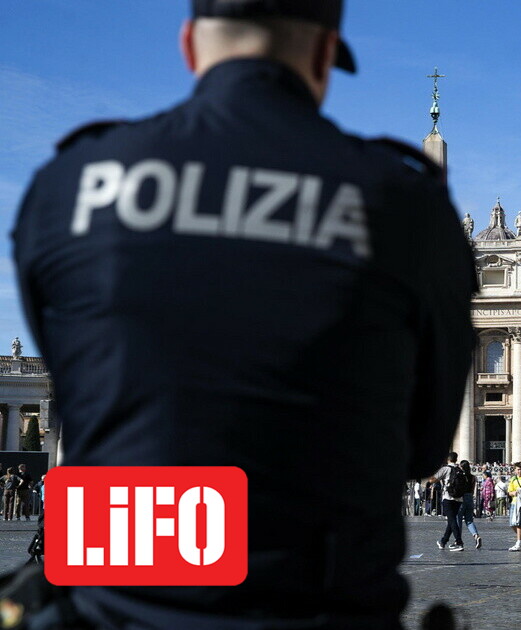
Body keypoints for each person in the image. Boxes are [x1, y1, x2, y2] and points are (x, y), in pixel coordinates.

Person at [10, 1, 476, 626]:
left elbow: (77, 395)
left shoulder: (67, 186)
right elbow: (423, 446)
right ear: (323, 55)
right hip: (316, 604)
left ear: (189, 46)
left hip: (119, 601)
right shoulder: (404, 204)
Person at [434, 453, 465, 551]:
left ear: (448, 459)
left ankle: (459, 542)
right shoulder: (460, 470)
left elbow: (433, 479)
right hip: (459, 498)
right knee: (451, 521)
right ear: (456, 459)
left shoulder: (445, 469)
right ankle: (443, 542)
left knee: (452, 520)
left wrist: (428, 483)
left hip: (448, 497)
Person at [455, 460, 483, 550]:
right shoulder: (473, 477)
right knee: (469, 521)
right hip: (470, 498)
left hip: (461, 498)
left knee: (458, 520)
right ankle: (476, 536)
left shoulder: (460, 477)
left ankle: (458, 541)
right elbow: (472, 489)